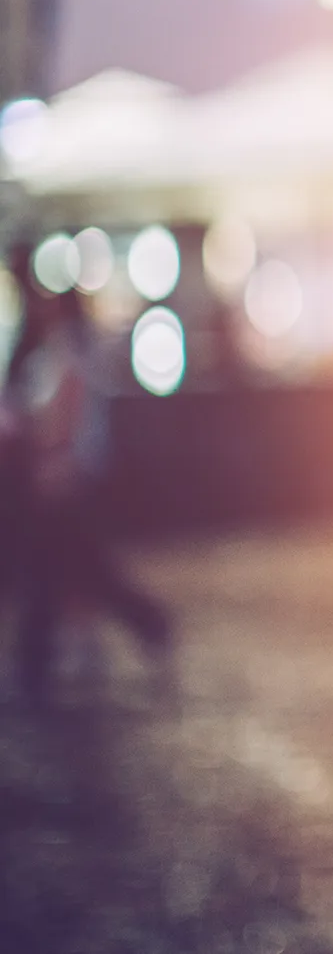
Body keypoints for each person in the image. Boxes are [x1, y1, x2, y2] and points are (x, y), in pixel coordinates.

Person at [3, 283, 175, 704]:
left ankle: (36, 668)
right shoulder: (74, 348)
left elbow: (65, 413)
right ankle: (145, 624)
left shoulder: (70, 351)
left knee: (61, 570)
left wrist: (37, 439)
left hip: (65, 478)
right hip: (67, 477)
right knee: (81, 567)